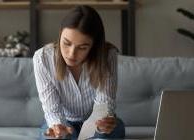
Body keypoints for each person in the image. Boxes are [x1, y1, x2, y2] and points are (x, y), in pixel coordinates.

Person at [33, 5, 125, 140]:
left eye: (82, 47)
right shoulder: (42, 59)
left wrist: (102, 125)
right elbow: (52, 110)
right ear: (60, 35)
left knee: (103, 136)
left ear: (93, 46)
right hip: (64, 120)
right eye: (66, 43)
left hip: (96, 123)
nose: (71, 54)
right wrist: (58, 127)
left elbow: (104, 105)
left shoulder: (107, 56)